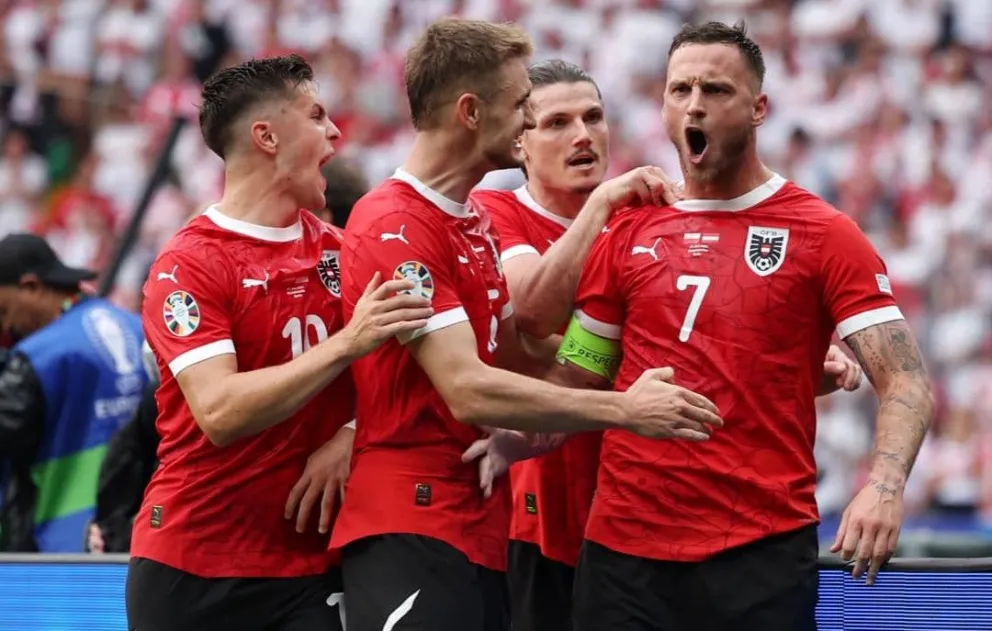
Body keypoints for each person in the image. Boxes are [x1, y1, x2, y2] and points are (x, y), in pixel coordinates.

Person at [331, 18, 724, 631]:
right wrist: (625, 409)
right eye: (523, 107)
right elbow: (468, 387)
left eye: (591, 117)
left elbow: (535, 355)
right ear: (470, 112)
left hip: (479, 523)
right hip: (414, 522)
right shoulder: (395, 221)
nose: (528, 122)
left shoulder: (469, 225)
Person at [543, 22, 934, 630]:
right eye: (680, 90)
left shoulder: (824, 233)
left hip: (759, 550)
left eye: (716, 90)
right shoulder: (627, 229)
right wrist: (497, 423)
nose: (694, 104)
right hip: (624, 556)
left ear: (759, 109)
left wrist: (884, 487)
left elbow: (907, 380)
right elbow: (581, 373)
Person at [471, 59, 863, 631]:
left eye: (594, 117)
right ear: (520, 144)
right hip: (549, 500)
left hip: (660, 516)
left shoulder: (651, 220)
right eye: (556, 123)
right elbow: (531, 313)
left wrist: (791, 359)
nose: (582, 135)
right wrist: (602, 208)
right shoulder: (499, 212)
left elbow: (704, 349)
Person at [126, 54, 433, 631]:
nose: (335, 131)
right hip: (194, 564)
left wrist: (352, 432)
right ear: (266, 137)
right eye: (316, 115)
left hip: (309, 569)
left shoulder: (344, 252)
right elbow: (220, 412)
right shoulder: (188, 264)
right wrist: (346, 344)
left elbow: (414, 381)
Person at [0, 233, 149, 552]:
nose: (7, 325)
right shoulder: (140, 329)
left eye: (3, 310)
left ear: (31, 287)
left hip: (60, 545)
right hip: (142, 533)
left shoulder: (37, 356)